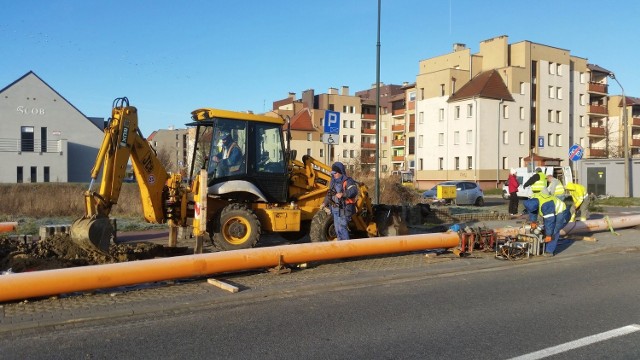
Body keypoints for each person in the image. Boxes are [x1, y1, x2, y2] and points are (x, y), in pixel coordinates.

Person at [523, 191, 571, 257]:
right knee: (547, 228)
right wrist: (533, 221)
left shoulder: (546, 205)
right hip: (553, 211)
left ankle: (549, 251)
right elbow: (532, 211)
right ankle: (545, 245)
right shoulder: (533, 198)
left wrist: (548, 235)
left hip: (562, 213)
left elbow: (550, 222)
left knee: (553, 231)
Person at [319, 162, 359, 240]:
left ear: (340, 172)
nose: (334, 174)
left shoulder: (348, 181)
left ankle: (346, 248)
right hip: (335, 209)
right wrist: (324, 203)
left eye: (335, 173)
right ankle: (341, 248)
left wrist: (343, 194)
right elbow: (329, 194)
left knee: (342, 228)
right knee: (338, 230)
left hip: (345, 209)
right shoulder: (333, 182)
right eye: (332, 173)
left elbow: (354, 191)